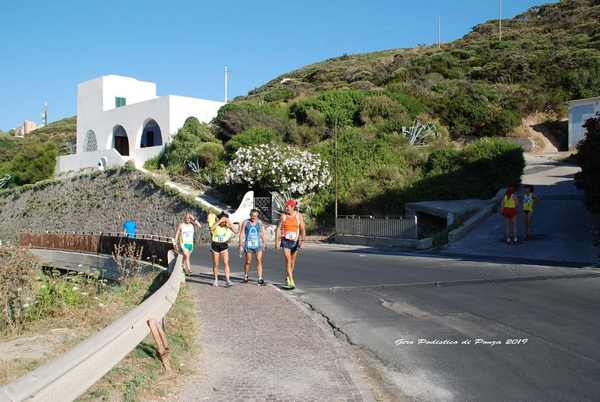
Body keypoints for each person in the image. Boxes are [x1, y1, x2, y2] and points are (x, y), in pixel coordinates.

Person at [275, 199, 306, 290]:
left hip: (295, 241)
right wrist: (276, 242)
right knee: (288, 261)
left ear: (292, 207)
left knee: (292, 263)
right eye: (286, 207)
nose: (286, 208)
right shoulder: (283, 216)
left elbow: (302, 229)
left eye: (287, 207)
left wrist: (302, 241)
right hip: (285, 241)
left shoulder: (298, 216)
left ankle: (288, 278)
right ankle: (292, 281)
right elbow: (278, 229)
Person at [208, 211, 237, 287]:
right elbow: (211, 228)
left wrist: (229, 222)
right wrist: (220, 221)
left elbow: (236, 231)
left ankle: (227, 280)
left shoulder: (227, 226)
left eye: (225, 221)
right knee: (216, 264)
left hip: (224, 245)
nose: (223, 222)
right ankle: (215, 280)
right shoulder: (216, 225)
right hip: (215, 245)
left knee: (226, 263)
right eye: (223, 221)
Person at [239, 209, 267, 286]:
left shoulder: (259, 223)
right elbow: (241, 234)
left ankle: (260, 278)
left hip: (258, 245)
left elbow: (262, 233)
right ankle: (246, 275)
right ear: (250, 215)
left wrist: (264, 242)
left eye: (255, 216)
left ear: (257, 216)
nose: (254, 218)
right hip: (248, 245)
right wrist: (241, 245)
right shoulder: (246, 222)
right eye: (252, 216)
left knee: (259, 260)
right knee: (248, 261)